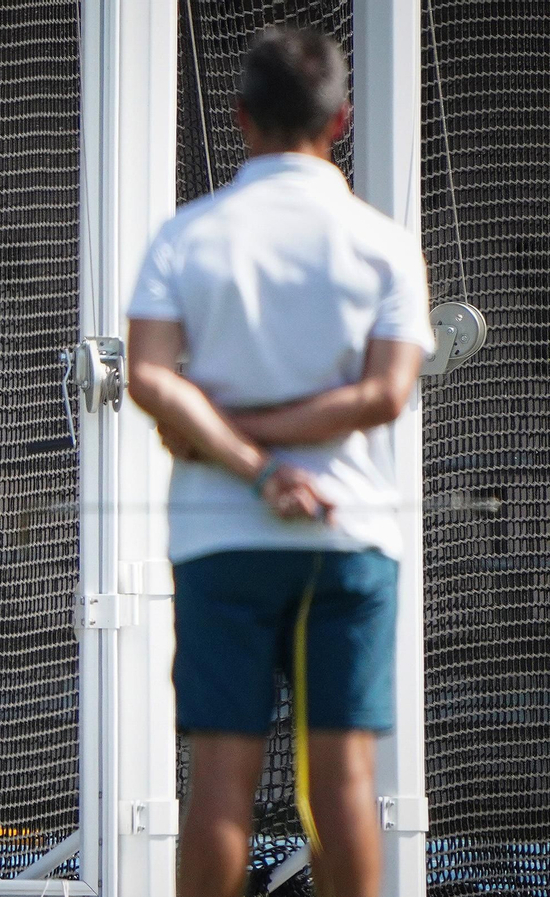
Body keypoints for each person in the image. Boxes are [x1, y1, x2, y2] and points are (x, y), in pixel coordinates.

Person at [124, 27, 434, 897]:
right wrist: (278, 446)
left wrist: (245, 452)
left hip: (222, 541)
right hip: (349, 537)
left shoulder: (187, 236)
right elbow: (384, 394)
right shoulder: (384, 242)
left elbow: (149, 377)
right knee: (341, 787)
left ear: (240, 117)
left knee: (219, 783)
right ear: (341, 121)